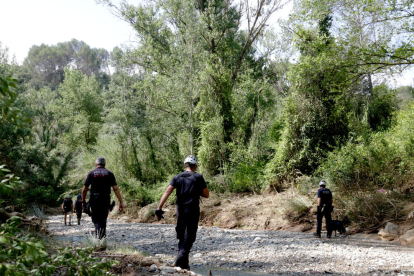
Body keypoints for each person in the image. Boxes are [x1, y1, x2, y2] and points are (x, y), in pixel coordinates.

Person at [155, 155, 209, 270]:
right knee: (190, 236)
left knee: (181, 235)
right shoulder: (198, 177)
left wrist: (159, 208)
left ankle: (184, 264)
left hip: (180, 210)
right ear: (195, 166)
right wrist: (197, 191)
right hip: (193, 209)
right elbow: (206, 194)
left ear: (185, 165)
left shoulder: (177, 177)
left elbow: (167, 191)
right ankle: (180, 259)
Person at [82, 157, 124, 239]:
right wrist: (121, 201)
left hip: (94, 199)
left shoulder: (91, 173)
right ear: (104, 164)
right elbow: (115, 188)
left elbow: (84, 189)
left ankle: (99, 240)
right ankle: (102, 239)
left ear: (96, 164)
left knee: (96, 218)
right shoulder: (109, 173)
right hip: (105, 198)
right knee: (103, 218)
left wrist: (83, 201)